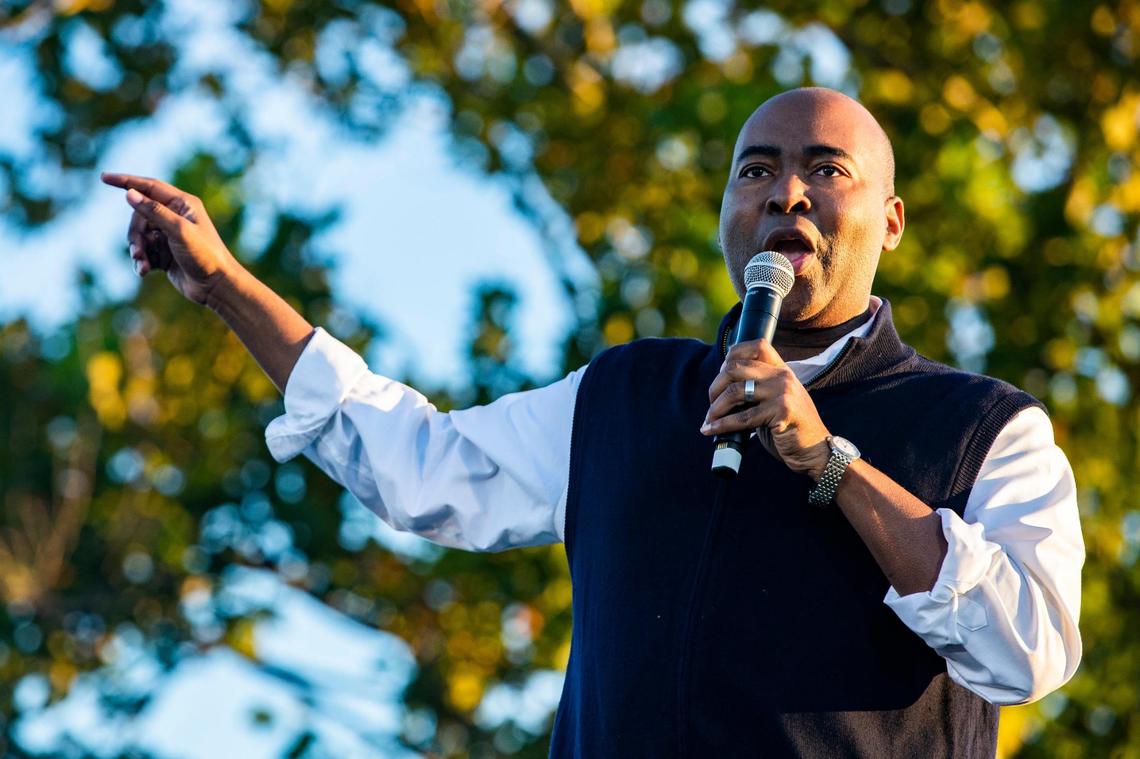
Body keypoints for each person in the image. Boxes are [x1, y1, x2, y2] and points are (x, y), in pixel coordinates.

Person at [102, 87, 1083, 758]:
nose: (787, 191)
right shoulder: (624, 395)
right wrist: (226, 285)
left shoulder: (985, 428)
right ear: (727, 212)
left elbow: (1029, 648)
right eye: (756, 171)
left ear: (892, 221)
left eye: (826, 170)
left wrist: (830, 463)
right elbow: (418, 463)